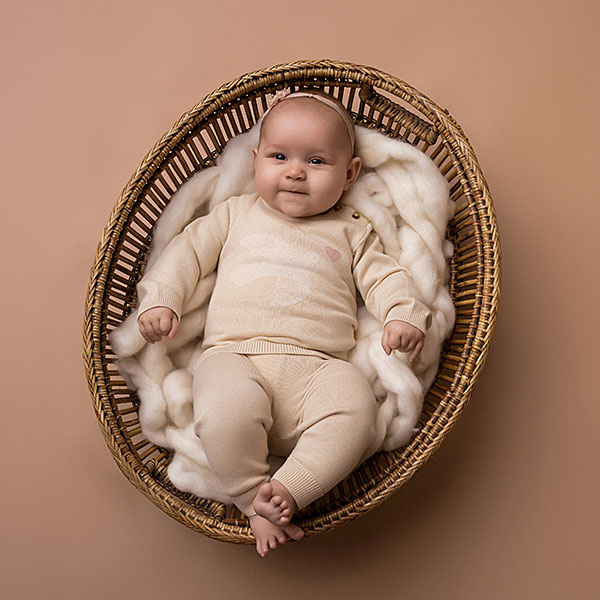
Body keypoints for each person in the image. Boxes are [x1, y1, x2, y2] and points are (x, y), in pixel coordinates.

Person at [136, 90, 431, 556]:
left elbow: (386, 276)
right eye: (279, 156)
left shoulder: (353, 229)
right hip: (235, 355)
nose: (295, 171)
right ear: (255, 161)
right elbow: (185, 253)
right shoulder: (235, 214)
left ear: (349, 173)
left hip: (318, 369)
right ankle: (253, 497)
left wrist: (401, 314)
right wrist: (163, 301)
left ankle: (288, 489)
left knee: (357, 409)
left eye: (316, 161)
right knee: (222, 412)